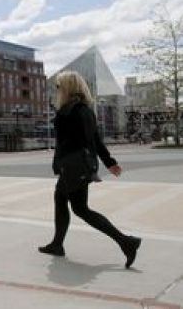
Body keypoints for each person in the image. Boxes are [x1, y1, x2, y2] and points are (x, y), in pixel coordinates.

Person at [39, 70, 141, 268]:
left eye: (59, 86)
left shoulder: (69, 111)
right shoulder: (85, 109)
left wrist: (61, 163)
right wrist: (109, 162)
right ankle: (57, 244)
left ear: (67, 88)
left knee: (80, 209)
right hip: (82, 165)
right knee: (65, 202)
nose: (56, 90)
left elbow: (69, 143)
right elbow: (95, 140)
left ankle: (126, 242)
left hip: (73, 166)